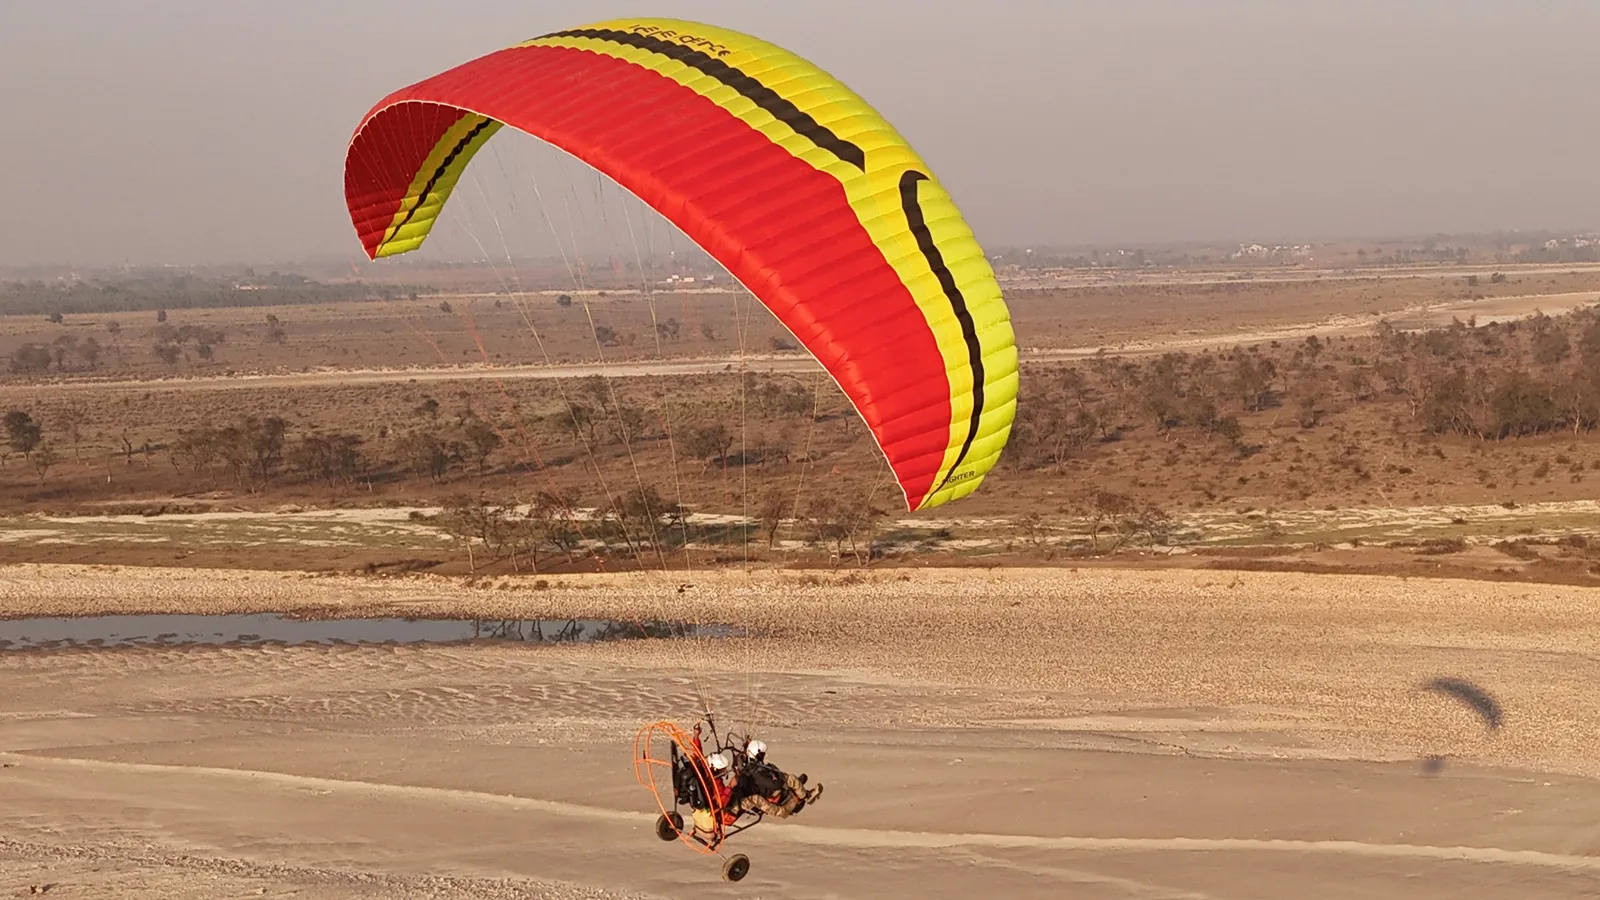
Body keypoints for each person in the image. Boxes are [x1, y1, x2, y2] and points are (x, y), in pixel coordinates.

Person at [727, 737, 822, 818]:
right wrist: (779, 777)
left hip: (757, 790)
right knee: (789, 779)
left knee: (783, 777)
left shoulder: (747, 765)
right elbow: (775, 785)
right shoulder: (757, 772)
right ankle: (805, 796)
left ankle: (800, 789)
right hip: (765, 792)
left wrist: (748, 745)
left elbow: (741, 758)